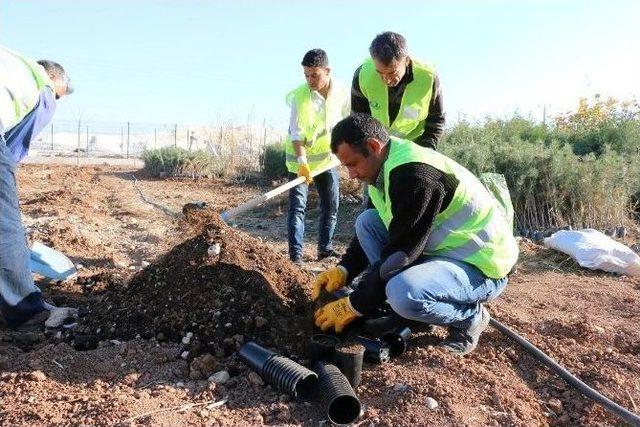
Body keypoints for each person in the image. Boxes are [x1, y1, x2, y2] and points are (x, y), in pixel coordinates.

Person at [313, 114, 519, 355]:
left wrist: (354, 305)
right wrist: (345, 269)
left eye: (352, 164)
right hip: (441, 253)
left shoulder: (414, 176)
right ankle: (410, 316)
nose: (351, 175)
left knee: (403, 292)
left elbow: (401, 254)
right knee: (367, 222)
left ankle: (470, 318)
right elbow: (386, 227)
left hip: (480, 266)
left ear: (373, 146)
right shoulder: (384, 169)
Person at [1, 45, 76, 331]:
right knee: (5, 227)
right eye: (60, 97)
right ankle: (26, 312)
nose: (55, 104)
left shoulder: (11, 63)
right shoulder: (42, 88)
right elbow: (12, 151)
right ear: (56, 80)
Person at [285, 49, 350, 264]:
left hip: (327, 161)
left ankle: (325, 249)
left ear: (327, 71)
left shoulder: (342, 92)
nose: (310, 80)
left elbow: (349, 121)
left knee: (331, 206)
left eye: (315, 75)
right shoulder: (300, 97)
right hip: (300, 162)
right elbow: (296, 133)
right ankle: (295, 257)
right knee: (298, 208)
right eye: (306, 75)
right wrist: (303, 164)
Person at [351, 31, 445, 150]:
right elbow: (358, 120)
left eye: (392, 73)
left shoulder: (429, 78)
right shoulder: (363, 75)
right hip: (376, 149)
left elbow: (436, 121)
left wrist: (425, 152)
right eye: (380, 73)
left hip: (413, 148)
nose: (387, 80)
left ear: (406, 61)